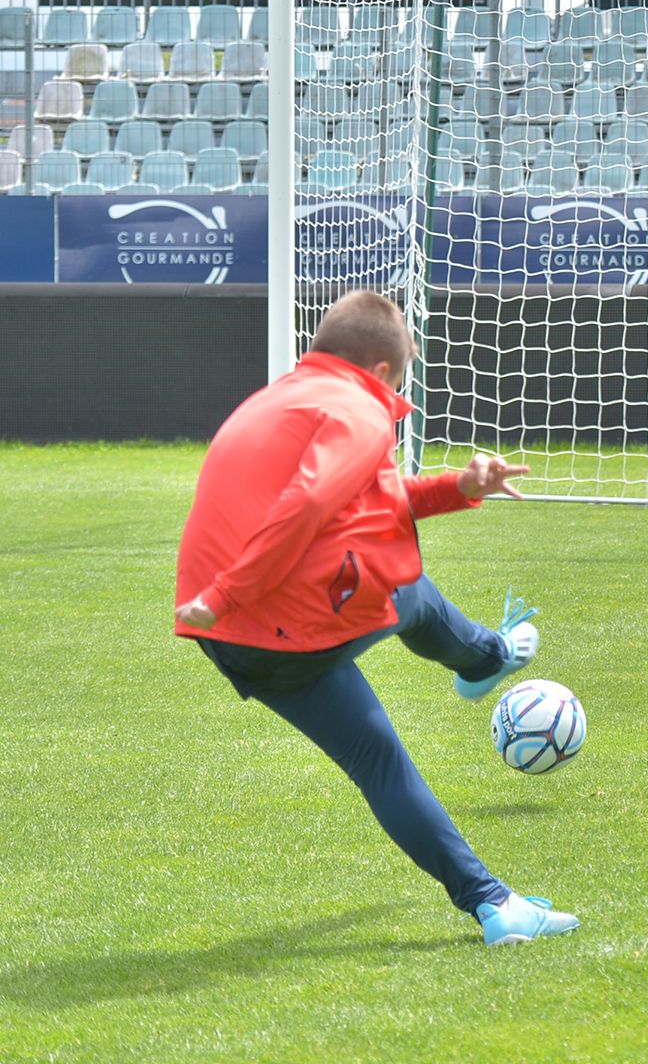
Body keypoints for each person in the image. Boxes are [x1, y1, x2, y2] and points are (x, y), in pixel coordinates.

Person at [174, 290, 578, 946]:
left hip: (230, 637)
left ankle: (494, 905)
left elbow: (366, 504)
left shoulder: (278, 399)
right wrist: (225, 591)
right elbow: (309, 502)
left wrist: (461, 487)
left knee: (378, 757)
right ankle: (486, 658)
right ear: (382, 371)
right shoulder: (359, 409)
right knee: (406, 587)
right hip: (257, 607)